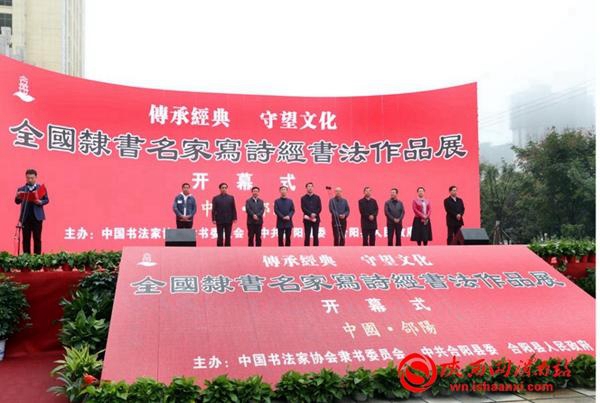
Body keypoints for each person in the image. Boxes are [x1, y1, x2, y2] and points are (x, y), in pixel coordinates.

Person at [15, 169, 49, 254]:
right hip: (25, 218)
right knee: (26, 239)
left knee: (37, 238)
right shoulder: (21, 189)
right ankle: (26, 258)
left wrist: (40, 202)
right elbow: (17, 202)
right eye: (28, 178)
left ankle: (37, 258)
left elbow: (47, 200)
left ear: (36, 177)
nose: (30, 180)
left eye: (32, 178)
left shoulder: (41, 188)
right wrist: (18, 197)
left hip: (37, 218)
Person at [211, 182, 237, 247]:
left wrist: (234, 218)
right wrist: (213, 219)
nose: (224, 189)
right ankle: (219, 249)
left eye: (225, 188)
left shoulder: (231, 197)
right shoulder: (216, 198)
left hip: (229, 219)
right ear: (220, 189)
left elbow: (233, 208)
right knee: (220, 236)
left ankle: (228, 249)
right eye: (222, 188)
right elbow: (213, 209)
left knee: (228, 236)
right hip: (219, 220)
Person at [300, 182, 322, 246]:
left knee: (315, 235)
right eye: (308, 186)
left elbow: (319, 208)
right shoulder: (303, 198)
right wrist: (310, 214)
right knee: (307, 235)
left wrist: (315, 214)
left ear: (313, 188)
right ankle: (306, 249)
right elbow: (303, 208)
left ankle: (316, 249)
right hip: (307, 219)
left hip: (316, 219)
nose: (310, 188)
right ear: (306, 188)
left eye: (311, 186)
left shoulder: (317, 197)